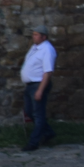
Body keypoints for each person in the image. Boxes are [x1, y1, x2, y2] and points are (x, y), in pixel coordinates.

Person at [20, 19, 56, 151]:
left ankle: (33, 142)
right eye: (33, 34)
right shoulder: (35, 48)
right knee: (29, 111)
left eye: (36, 35)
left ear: (44, 37)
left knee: (38, 114)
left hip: (38, 84)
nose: (33, 36)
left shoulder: (47, 49)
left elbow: (47, 72)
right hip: (30, 85)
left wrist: (40, 90)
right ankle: (48, 132)